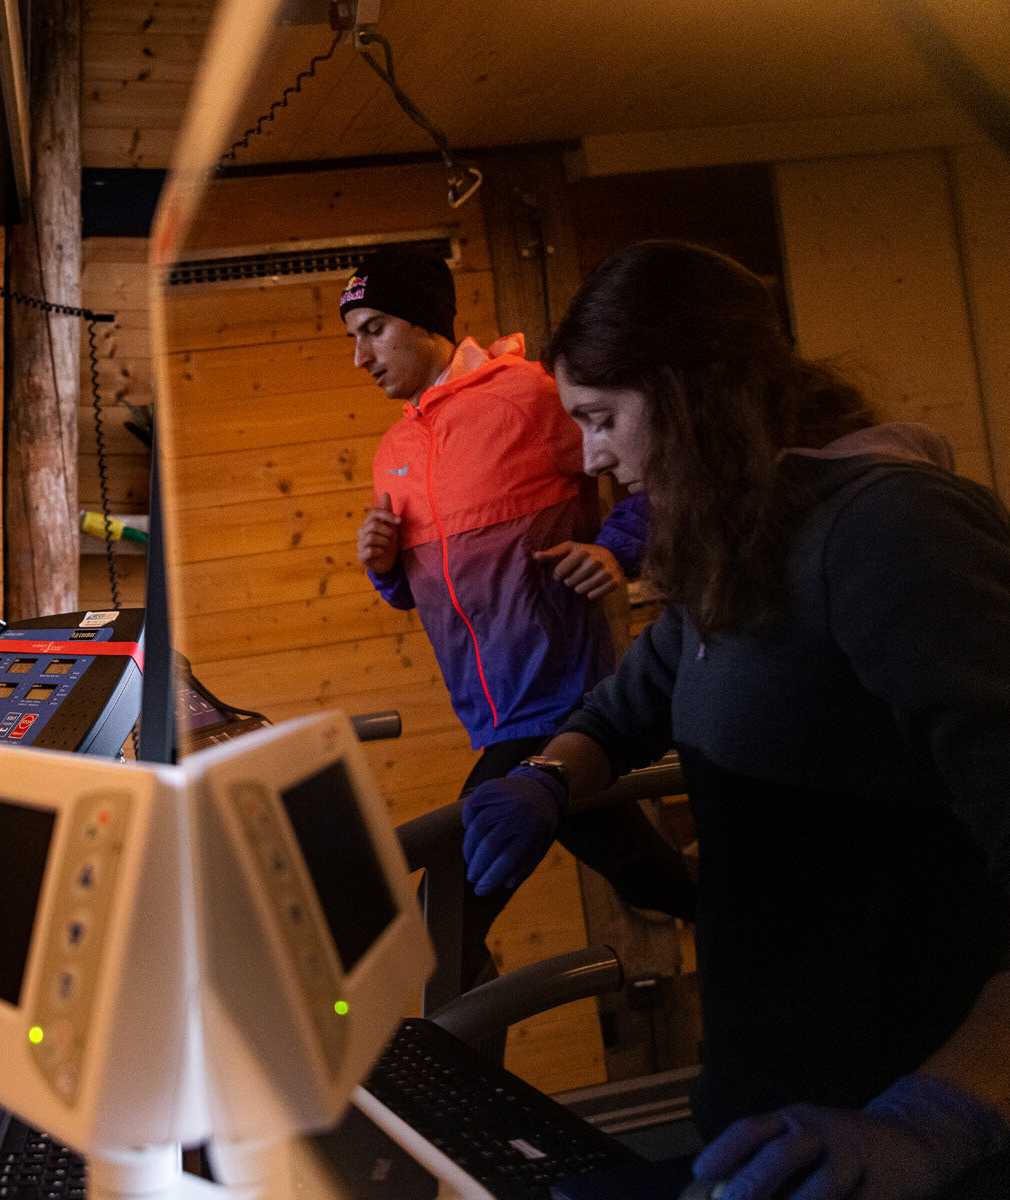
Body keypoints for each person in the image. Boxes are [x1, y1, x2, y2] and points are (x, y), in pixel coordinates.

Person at [462, 240, 1010, 1197]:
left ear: (689, 396)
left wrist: (946, 1115)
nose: (591, 455)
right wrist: (548, 779)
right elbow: (625, 709)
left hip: (890, 1144)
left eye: (599, 417)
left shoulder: (891, 535)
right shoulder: (740, 547)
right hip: (761, 1124)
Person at [339, 245, 694, 994]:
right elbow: (417, 591)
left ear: (426, 323)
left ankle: (457, 1091)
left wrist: (615, 552)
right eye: (354, 337)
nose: (361, 355)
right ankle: (783, 925)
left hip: (564, 702)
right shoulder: (395, 448)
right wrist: (382, 565)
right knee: (652, 878)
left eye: (373, 329)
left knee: (446, 912)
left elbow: (661, 477)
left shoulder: (528, 397)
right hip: (488, 710)